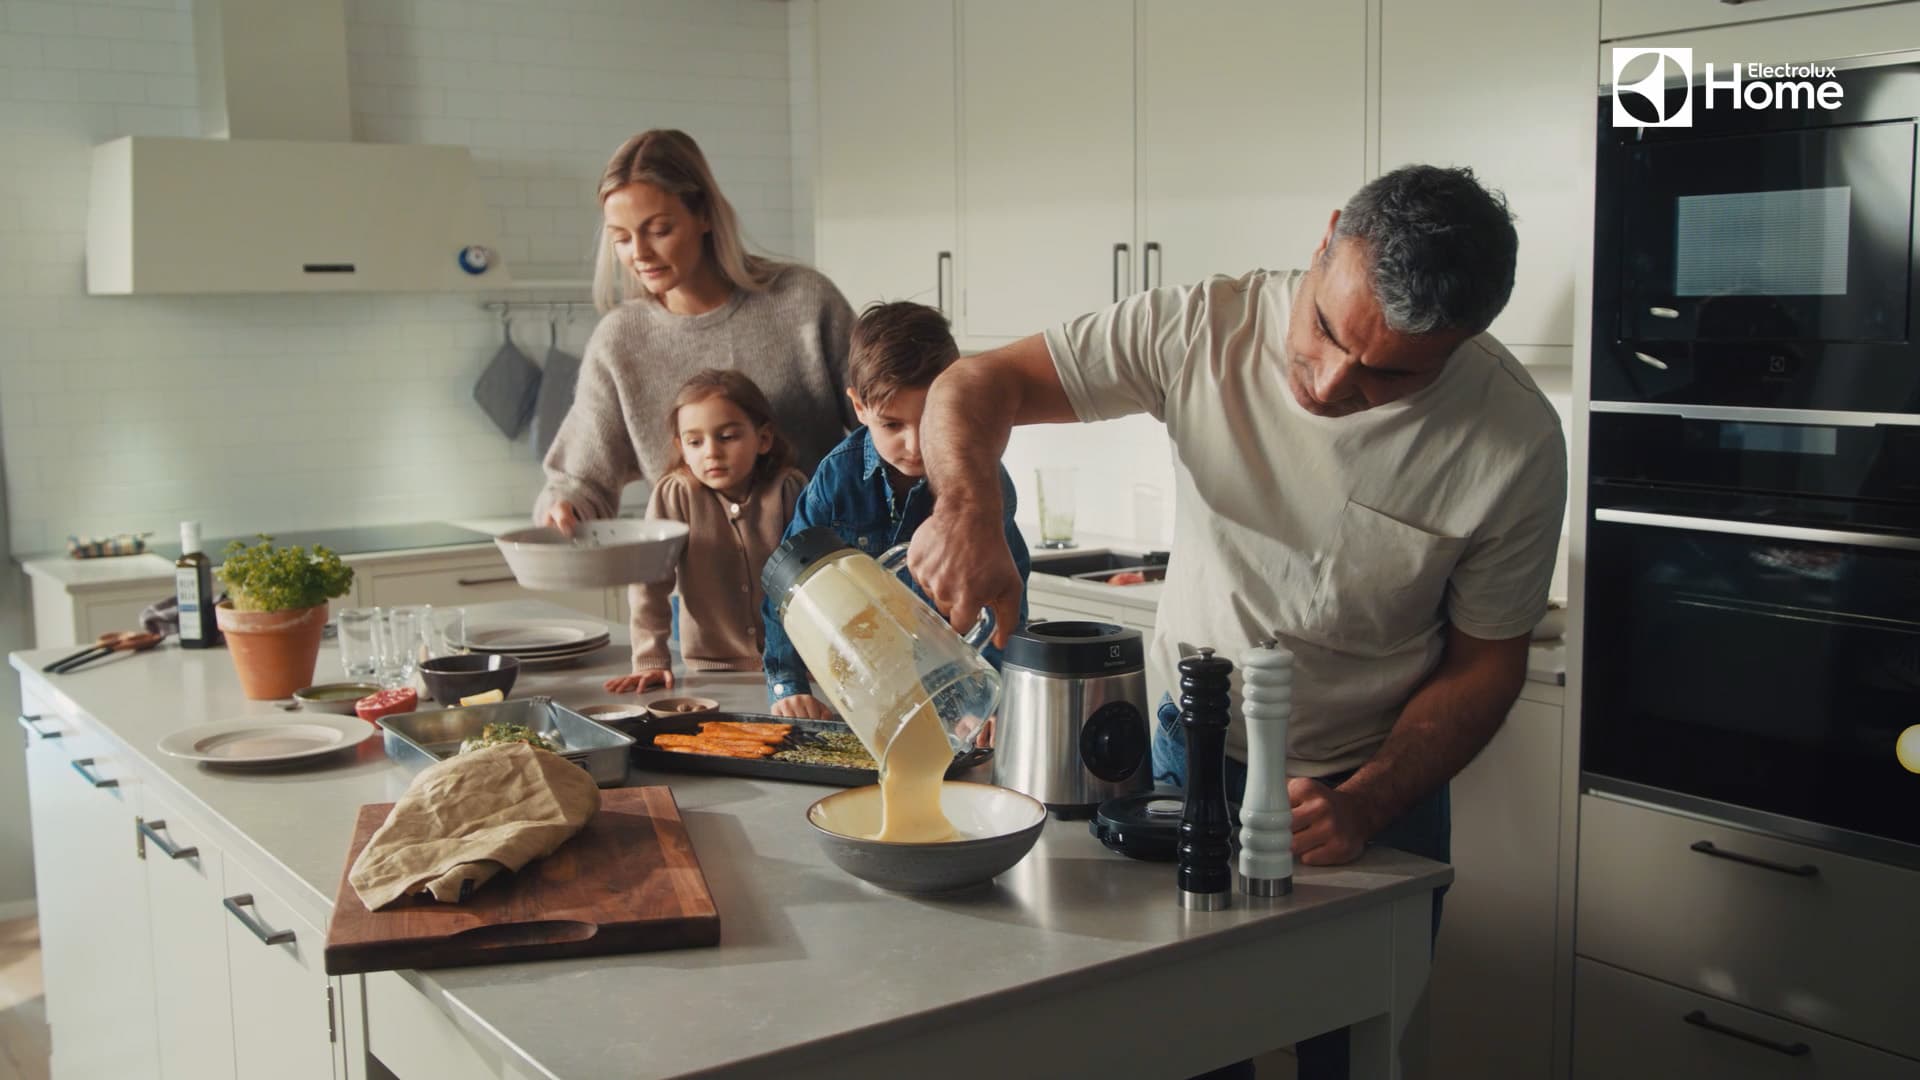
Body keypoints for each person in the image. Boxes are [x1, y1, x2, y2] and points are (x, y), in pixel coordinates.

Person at [905, 165, 1566, 1080]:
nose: (1332, 384)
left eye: (1389, 376)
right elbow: (978, 383)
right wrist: (969, 505)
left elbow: (1484, 665)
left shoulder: (1514, 442)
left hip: (1364, 788)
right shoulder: (1201, 327)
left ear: (1466, 342)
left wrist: (1369, 800)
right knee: (1194, 1041)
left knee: (1361, 1048)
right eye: (1327, 331)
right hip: (1187, 756)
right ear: (1327, 238)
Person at [536, 129, 854, 534]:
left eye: (659, 230)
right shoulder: (620, 341)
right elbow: (579, 482)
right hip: (693, 590)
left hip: (822, 577)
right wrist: (562, 508)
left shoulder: (804, 301)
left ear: (703, 214)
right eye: (621, 238)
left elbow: (890, 422)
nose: (639, 254)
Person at [761, 302, 1032, 720]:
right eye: (892, 425)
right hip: (864, 695)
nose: (914, 445)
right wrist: (787, 685)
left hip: (958, 695)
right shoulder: (836, 479)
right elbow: (787, 585)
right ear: (859, 407)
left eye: (929, 422)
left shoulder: (985, 483)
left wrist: (993, 701)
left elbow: (1003, 601)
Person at [606, 370, 807, 694]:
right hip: (711, 670)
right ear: (681, 447)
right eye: (695, 442)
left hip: (793, 667)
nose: (711, 452)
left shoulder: (789, 488)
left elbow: (813, 578)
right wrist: (650, 659)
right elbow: (649, 581)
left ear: (764, 439)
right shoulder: (675, 494)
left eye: (727, 437)